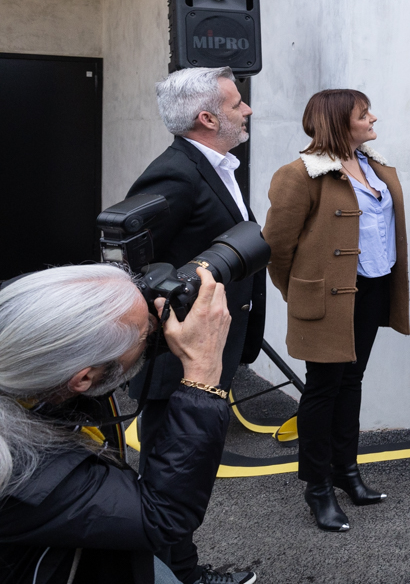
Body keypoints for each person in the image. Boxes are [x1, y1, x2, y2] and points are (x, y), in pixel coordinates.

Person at [0, 265, 242, 584]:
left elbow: (102, 363)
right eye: (146, 334)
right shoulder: (20, 471)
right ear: (82, 378)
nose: (151, 332)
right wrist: (203, 369)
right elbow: (159, 517)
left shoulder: (17, 346)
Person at [126, 66, 264, 583]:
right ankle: (175, 573)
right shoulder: (176, 172)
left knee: (183, 470)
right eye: (236, 104)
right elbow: (139, 267)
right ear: (207, 118)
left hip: (205, 353)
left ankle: (174, 569)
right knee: (171, 474)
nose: (246, 109)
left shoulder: (216, 164)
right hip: (175, 361)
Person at [264, 90, 410, 531]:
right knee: (322, 389)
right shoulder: (301, 175)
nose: (373, 119)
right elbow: (277, 249)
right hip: (327, 298)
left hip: (372, 289)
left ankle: (348, 473)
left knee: (352, 381)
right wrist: (301, 293)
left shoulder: (373, 166)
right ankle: (318, 487)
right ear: (338, 123)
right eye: (364, 115)